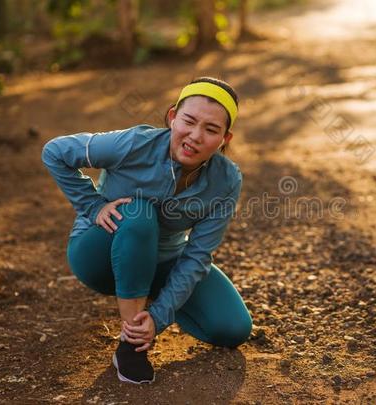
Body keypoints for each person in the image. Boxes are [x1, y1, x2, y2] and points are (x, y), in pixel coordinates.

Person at [41, 77, 252, 384]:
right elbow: (55, 151)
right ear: (172, 117)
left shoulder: (226, 179)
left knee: (233, 328)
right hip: (99, 253)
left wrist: (158, 317)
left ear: (225, 138)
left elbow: (197, 255)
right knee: (140, 214)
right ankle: (132, 349)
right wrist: (93, 205)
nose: (195, 136)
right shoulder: (133, 143)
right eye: (189, 121)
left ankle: (144, 313)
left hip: (162, 261)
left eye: (211, 129)